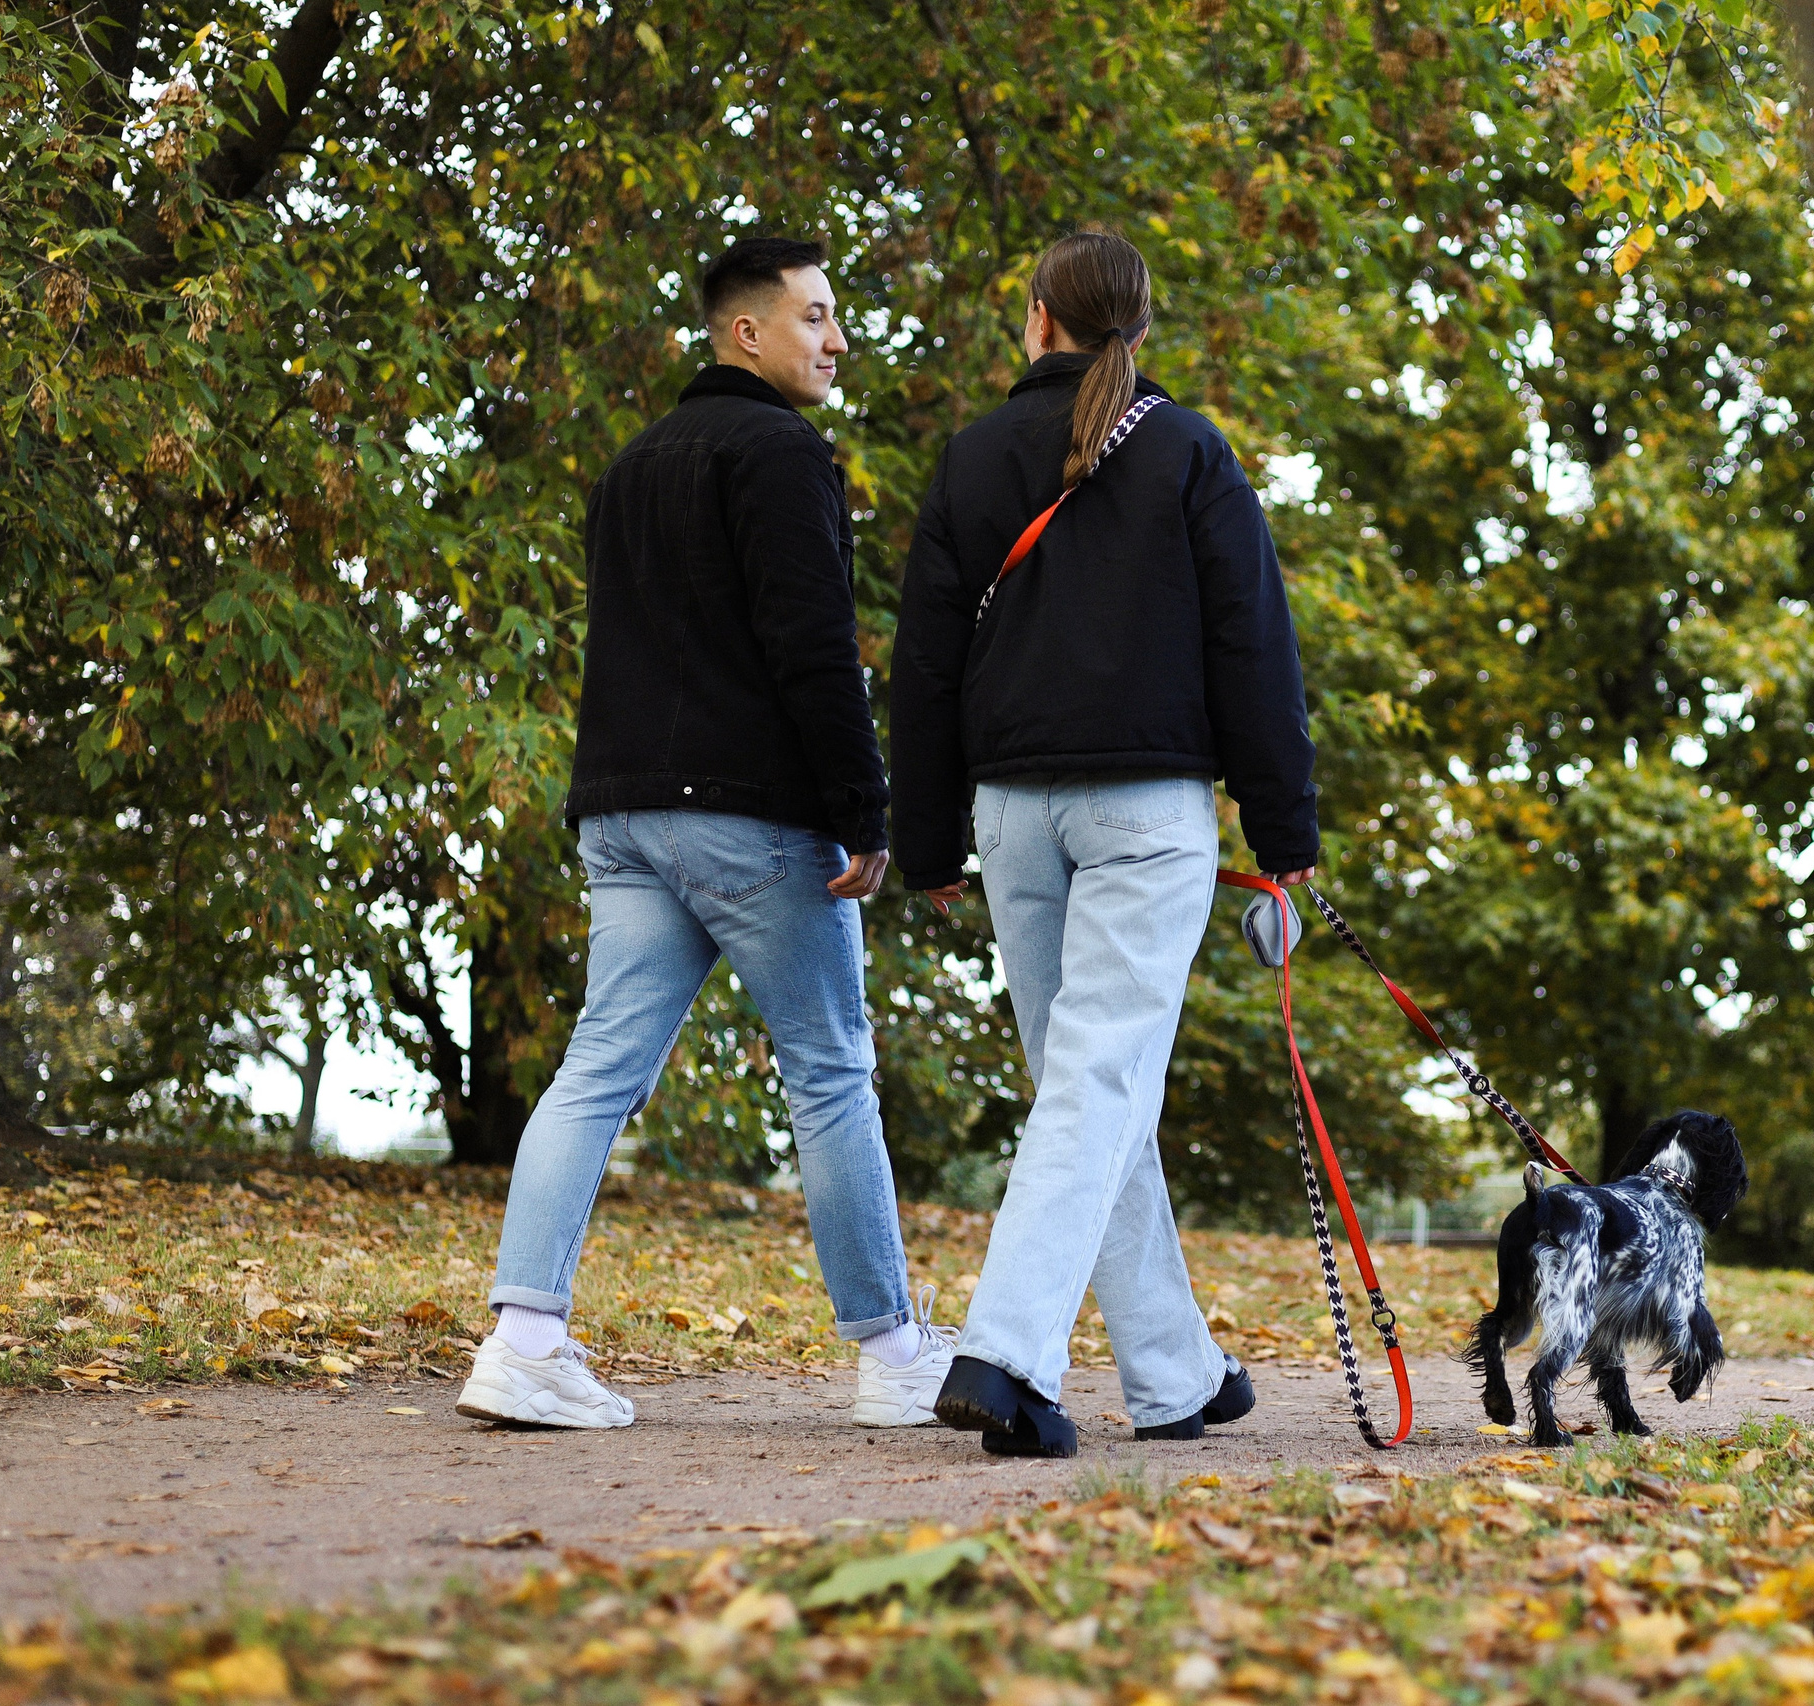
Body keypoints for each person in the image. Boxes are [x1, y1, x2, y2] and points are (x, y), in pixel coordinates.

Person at [457, 236, 955, 1431]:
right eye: (815, 316)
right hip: (749, 816)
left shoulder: (631, 465)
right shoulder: (782, 454)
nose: (836, 338)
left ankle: (523, 1341)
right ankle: (894, 1354)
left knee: (595, 1067)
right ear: (747, 332)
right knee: (829, 1070)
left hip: (624, 810)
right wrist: (864, 805)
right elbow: (813, 644)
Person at [889, 230, 1320, 1457]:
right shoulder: (1189, 451)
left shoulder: (971, 456)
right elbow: (1253, 646)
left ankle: (1174, 1373)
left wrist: (928, 838)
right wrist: (1282, 826)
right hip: (1147, 809)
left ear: (1039, 320)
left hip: (1010, 815)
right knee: (1096, 1084)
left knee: (1086, 1086)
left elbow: (925, 664)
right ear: (1140, 326)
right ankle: (1004, 1353)